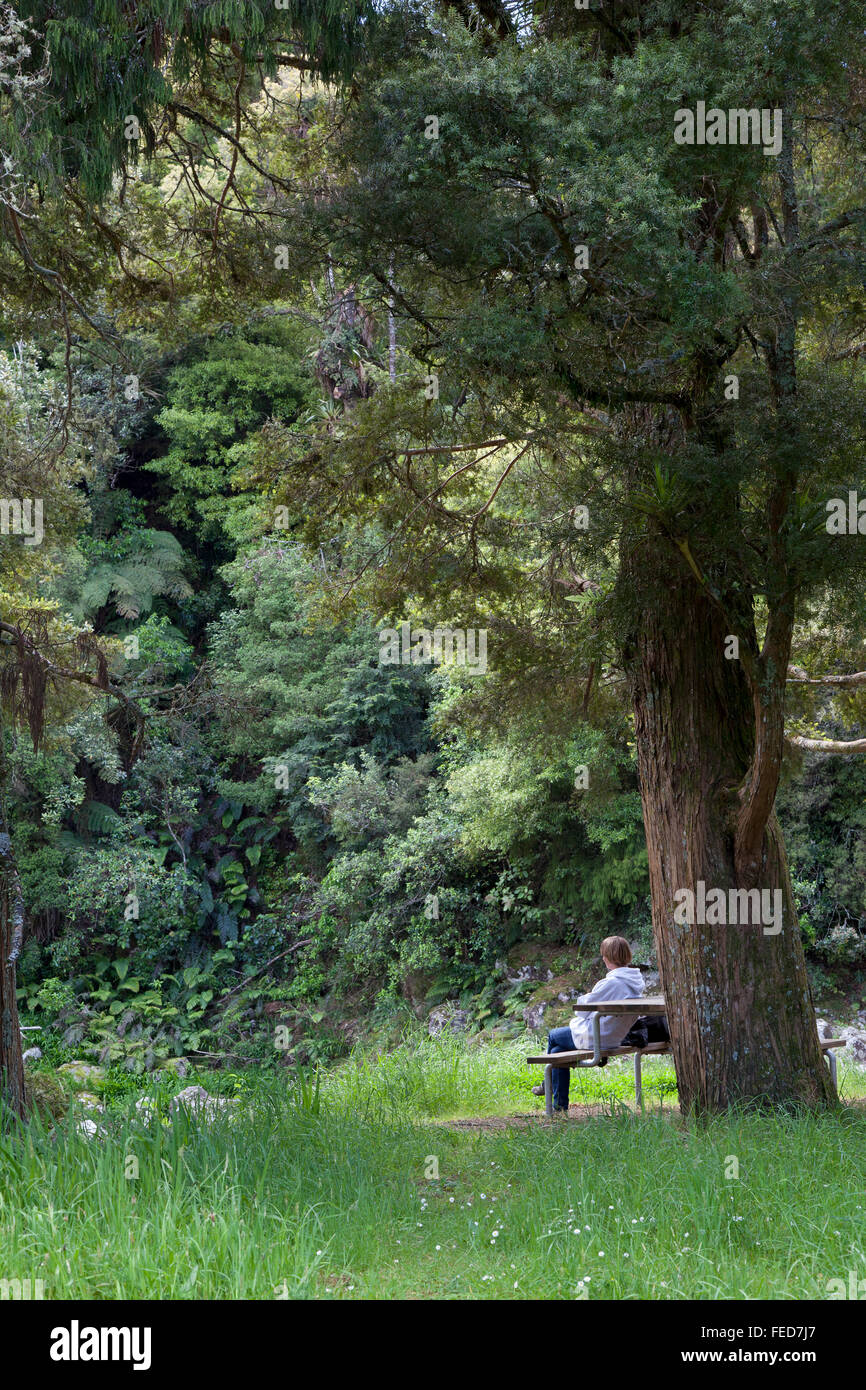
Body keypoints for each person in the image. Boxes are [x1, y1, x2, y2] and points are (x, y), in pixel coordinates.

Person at [534, 936, 644, 1113]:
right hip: (615, 1036)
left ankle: (548, 1087)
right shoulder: (636, 981)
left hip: (598, 1036)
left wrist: (585, 997)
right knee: (556, 1053)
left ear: (609, 957)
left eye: (604, 955)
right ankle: (557, 1106)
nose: (602, 959)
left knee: (553, 1036)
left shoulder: (612, 983)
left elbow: (582, 1010)